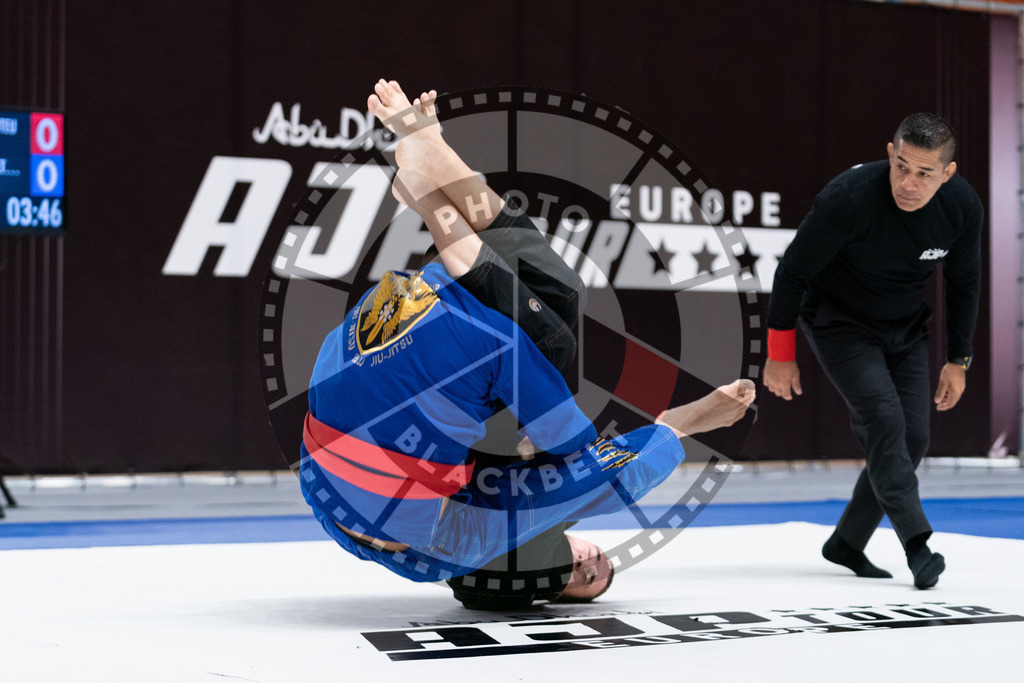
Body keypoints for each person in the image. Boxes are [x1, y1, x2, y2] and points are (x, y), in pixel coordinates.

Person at [299, 79, 755, 609]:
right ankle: (437, 169)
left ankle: (430, 202)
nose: (593, 563)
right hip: (346, 376)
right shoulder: (408, 529)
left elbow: (600, 471)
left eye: (582, 579)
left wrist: (690, 421)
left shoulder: (472, 541)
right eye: (600, 568)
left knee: (547, 350)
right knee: (557, 293)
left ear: (533, 582)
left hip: (409, 385)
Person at [763, 113, 983, 589]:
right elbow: (791, 273)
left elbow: (965, 284)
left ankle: (847, 541)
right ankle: (918, 547)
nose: (908, 182)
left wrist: (958, 359)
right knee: (884, 420)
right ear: (890, 152)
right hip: (838, 321)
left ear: (948, 173)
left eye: (925, 173)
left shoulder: (962, 208)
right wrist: (780, 353)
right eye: (901, 165)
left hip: (904, 327)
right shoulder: (849, 197)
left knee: (914, 439)